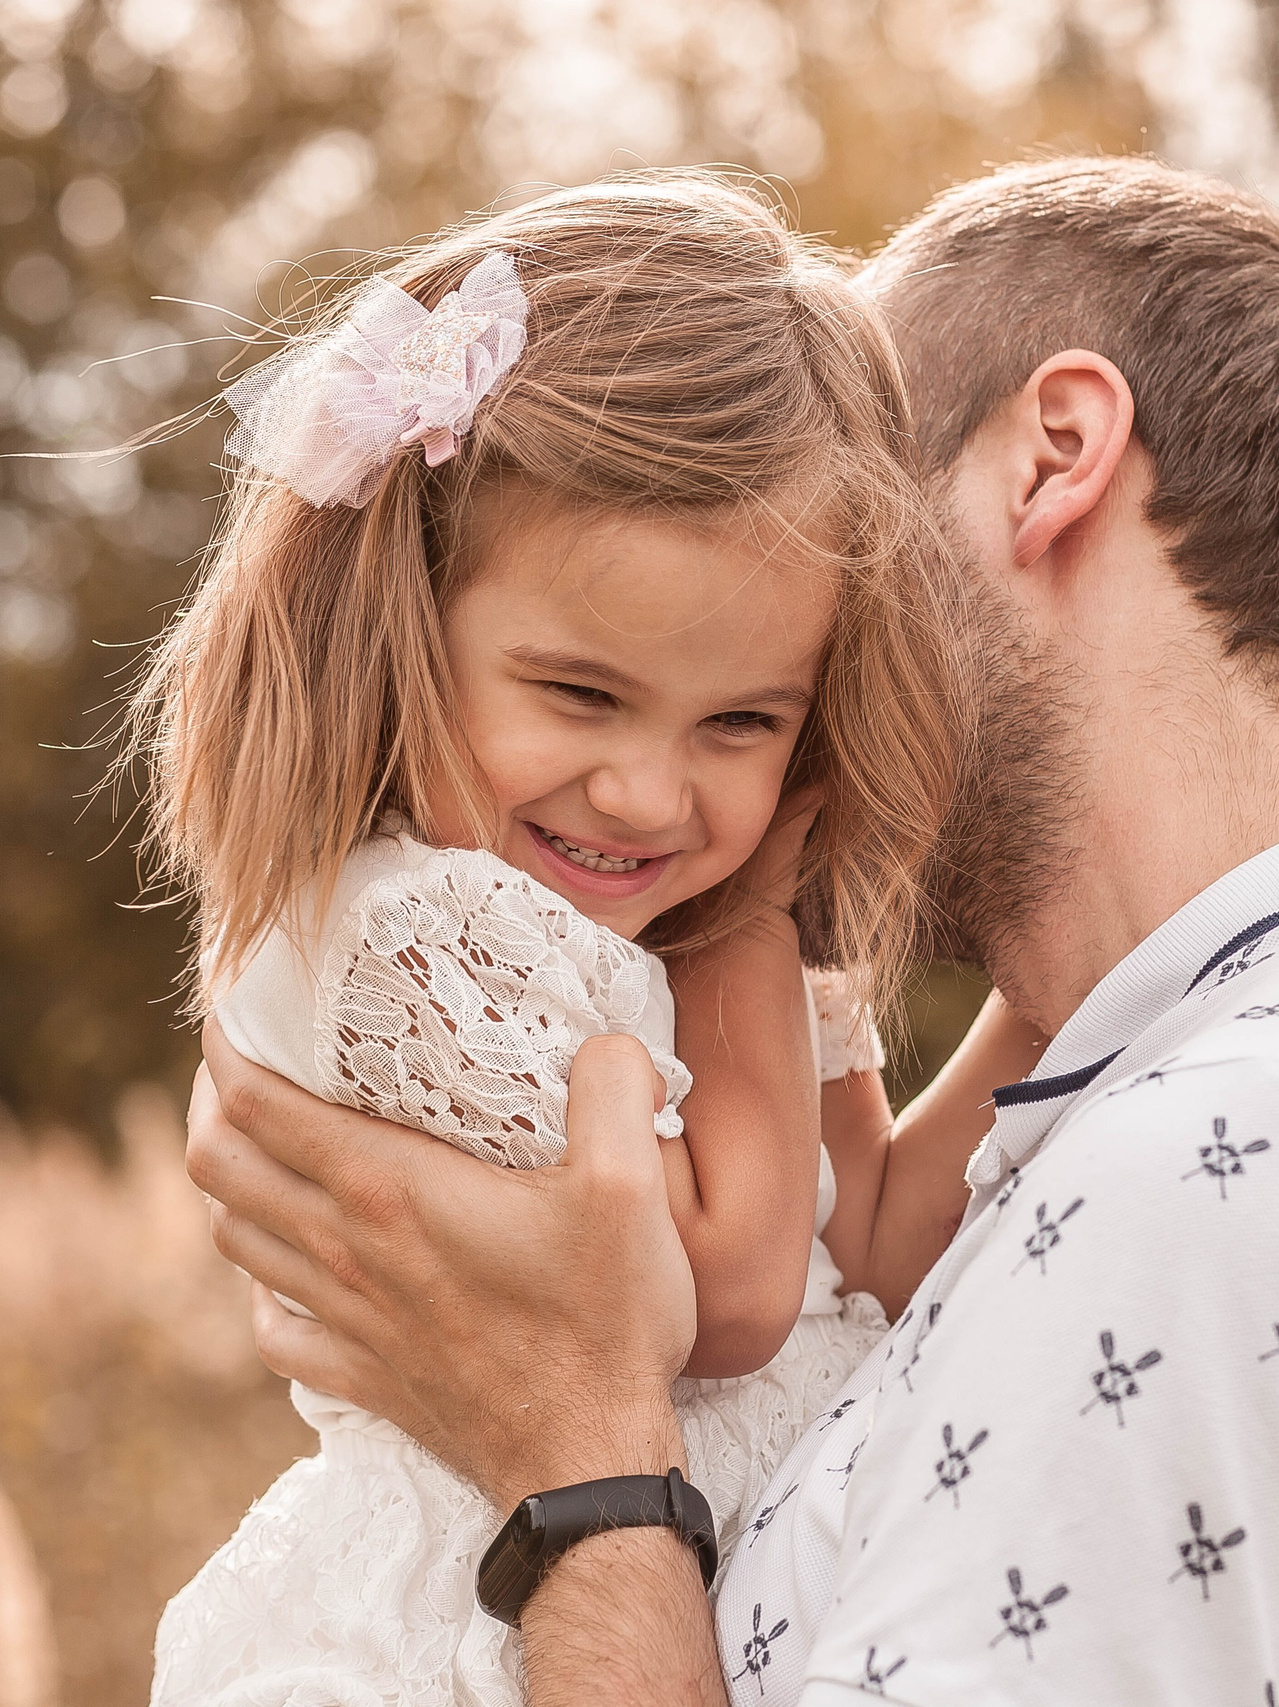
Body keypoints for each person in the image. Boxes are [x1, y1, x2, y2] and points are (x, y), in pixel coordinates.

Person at [186, 154, 1279, 1705]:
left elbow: (746, 1290)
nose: (828, 612)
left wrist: (577, 1460)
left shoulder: (1233, 1179)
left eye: (857, 498)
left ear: (1056, 457)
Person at [133, 173, 1007, 1704]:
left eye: (744, 721)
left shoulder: (668, 924)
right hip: (483, 1642)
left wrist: (1121, 963)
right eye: (580, 696)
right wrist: (752, 919)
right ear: (402, 618)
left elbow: (865, 1233)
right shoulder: (424, 936)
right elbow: (719, 1303)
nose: (649, 791)